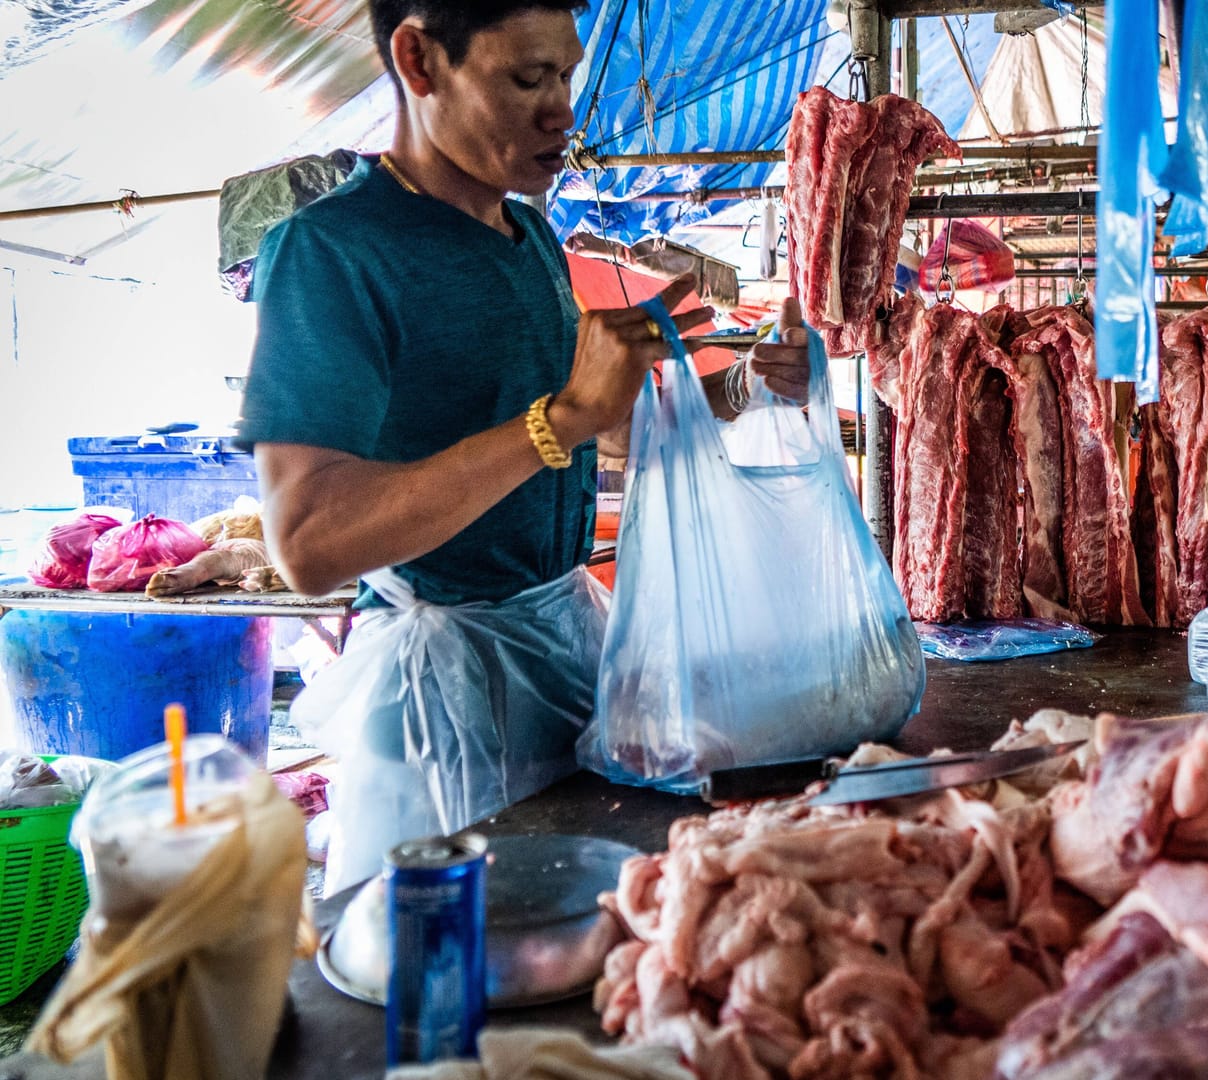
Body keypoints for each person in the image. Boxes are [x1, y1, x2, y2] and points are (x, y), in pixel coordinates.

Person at [235, 0, 812, 891]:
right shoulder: (332, 253)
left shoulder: (528, 235)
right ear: (420, 59)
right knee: (458, 972)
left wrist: (739, 387)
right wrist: (561, 420)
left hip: (560, 647)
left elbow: (600, 428)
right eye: (528, 77)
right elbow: (308, 542)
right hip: (441, 697)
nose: (563, 110)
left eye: (568, 74)